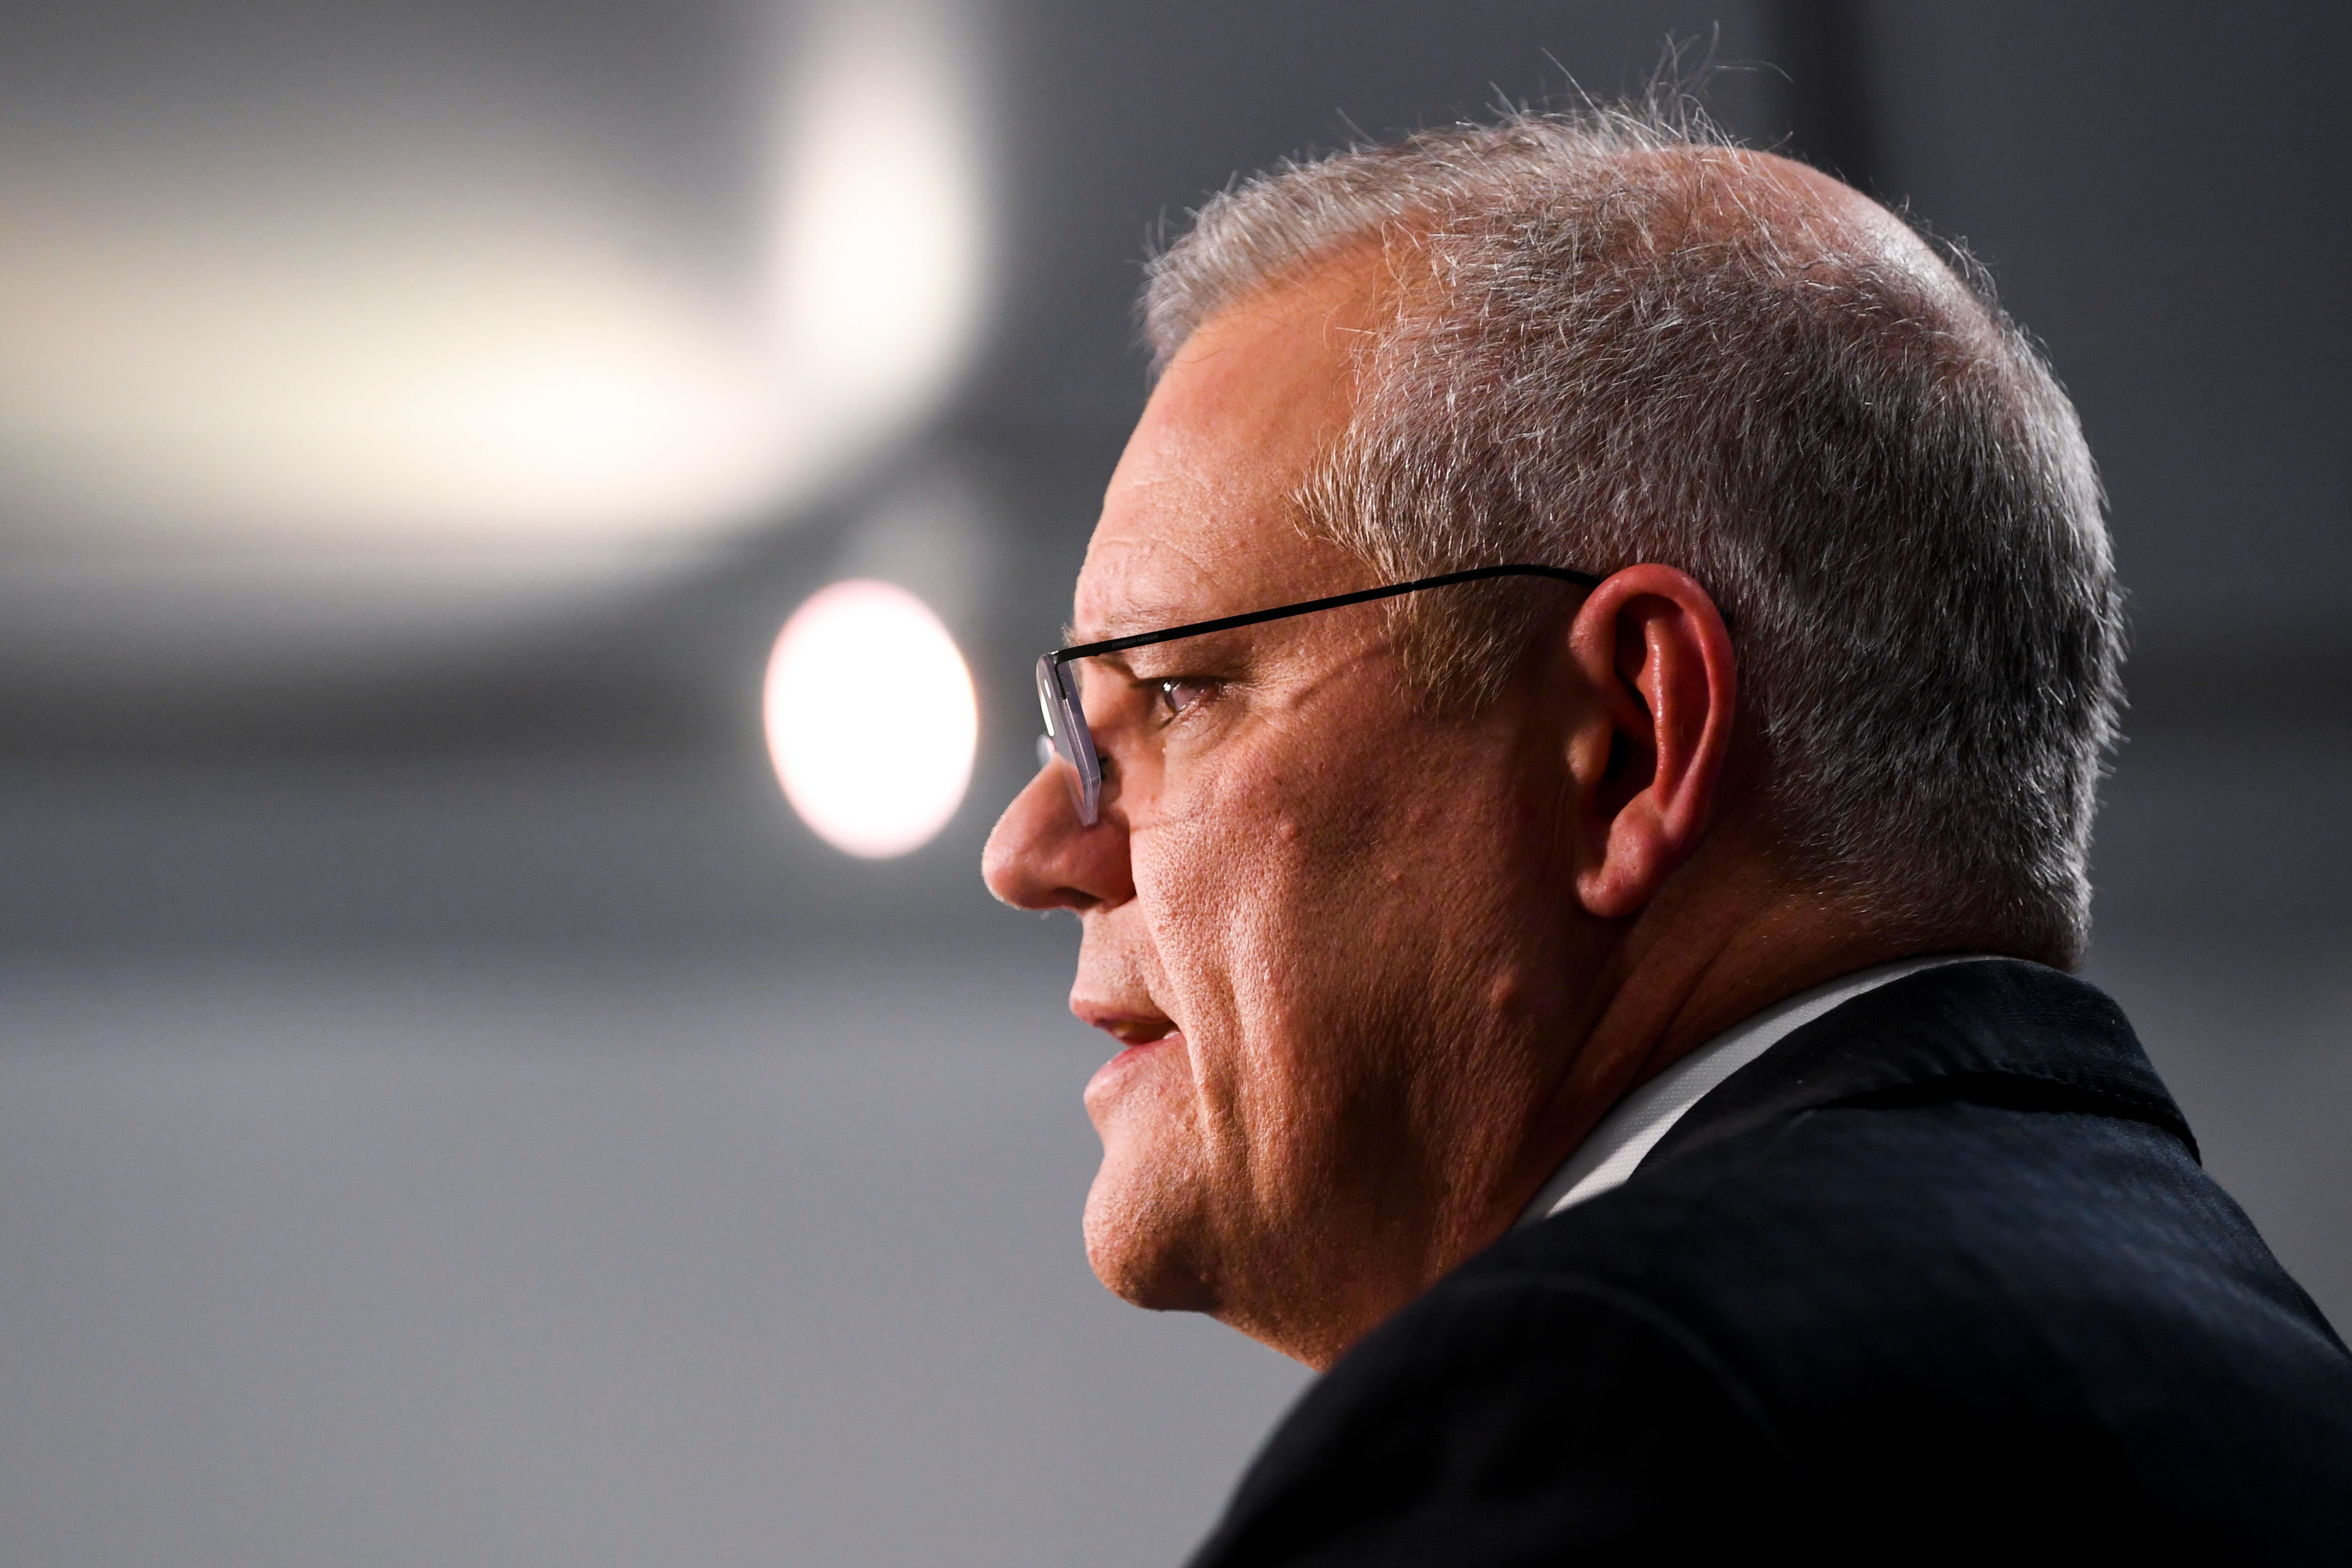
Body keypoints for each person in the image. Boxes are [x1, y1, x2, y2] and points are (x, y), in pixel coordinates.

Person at [981, 105, 2352, 1561]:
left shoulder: (1597, 1409)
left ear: (1625, 746)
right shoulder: (2273, 1386)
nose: (1029, 851)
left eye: (1179, 689)